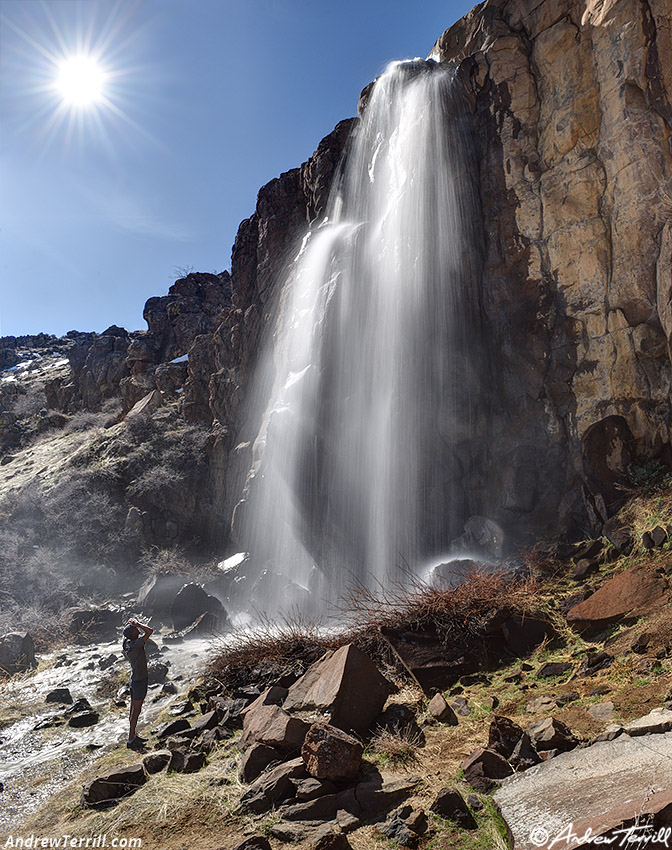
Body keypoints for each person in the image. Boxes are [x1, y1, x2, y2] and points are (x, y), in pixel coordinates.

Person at [122, 616, 153, 750]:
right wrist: (138, 623)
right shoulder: (136, 644)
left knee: (132, 710)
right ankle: (130, 740)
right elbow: (150, 631)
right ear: (133, 635)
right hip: (139, 681)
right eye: (136, 632)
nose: (139, 632)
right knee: (136, 711)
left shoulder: (127, 643)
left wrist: (131, 625)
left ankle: (133, 735)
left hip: (134, 679)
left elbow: (127, 634)